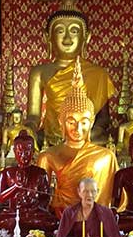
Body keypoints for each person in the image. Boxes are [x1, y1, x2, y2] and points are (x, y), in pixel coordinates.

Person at [37, 57, 118, 216]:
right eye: (71, 121)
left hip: (96, 222)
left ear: (92, 122)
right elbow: (41, 200)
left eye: (84, 122)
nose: (78, 128)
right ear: (61, 121)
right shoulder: (47, 157)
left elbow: (113, 198)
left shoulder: (105, 157)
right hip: (61, 218)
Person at [26, 6, 115, 145]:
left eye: (74, 31)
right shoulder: (39, 72)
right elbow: (33, 115)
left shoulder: (98, 73)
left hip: (87, 138)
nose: (67, 39)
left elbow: (104, 119)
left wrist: (88, 133)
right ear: (48, 37)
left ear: (86, 37)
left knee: (104, 142)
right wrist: (29, 128)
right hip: (53, 138)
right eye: (60, 31)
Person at [49, 178, 130, 237]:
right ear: (79, 192)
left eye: (93, 191)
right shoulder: (69, 212)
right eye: (85, 191)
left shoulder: (106, 212)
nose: (90, 195)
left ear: (97, 192)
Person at [0, 130, 57, 235]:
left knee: (54, 222)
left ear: (33, 151)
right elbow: (1, 198)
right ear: (14, 151)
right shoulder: (7, 173)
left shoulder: (40, 173)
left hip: (34, 215)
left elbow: (45, 198)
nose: (23, 156)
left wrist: (34, 204)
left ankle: (34, 235)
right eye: (20, 152)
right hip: (14, 214)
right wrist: (15, 187)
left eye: (27, 152)